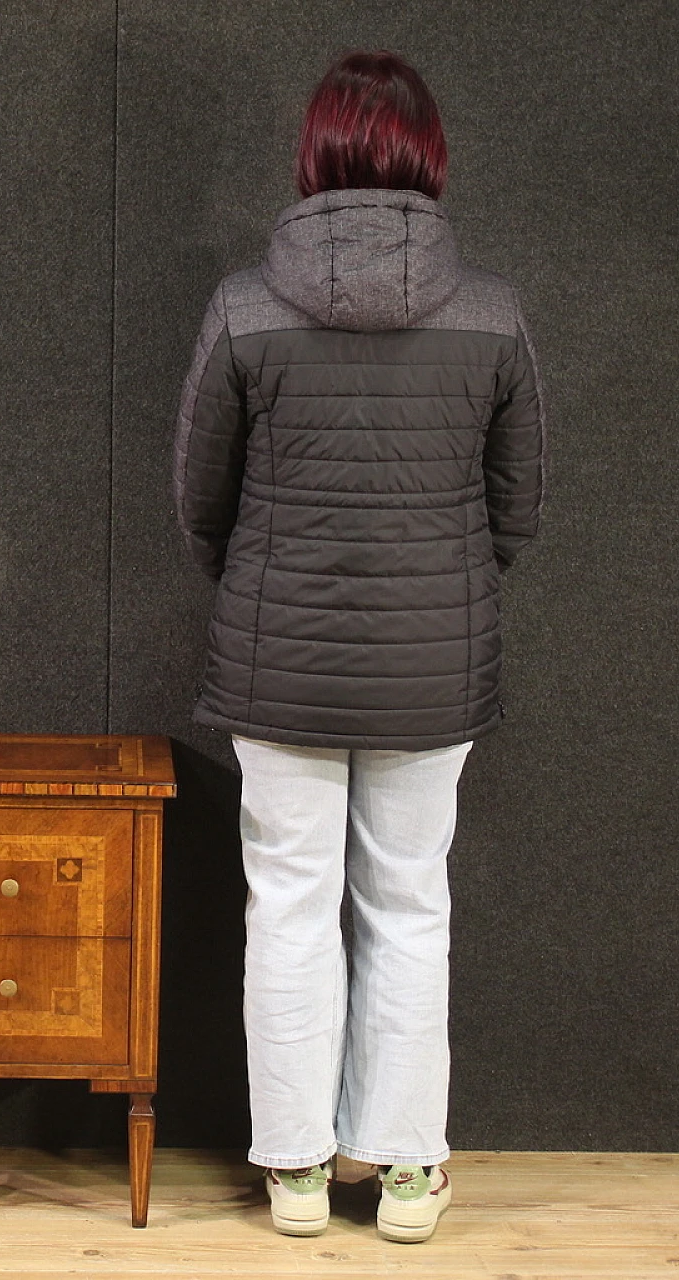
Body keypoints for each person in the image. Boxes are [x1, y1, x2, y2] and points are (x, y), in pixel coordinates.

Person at [173, 50, 544, 1243]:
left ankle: (289, 1174)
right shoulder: (489, 308)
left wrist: (258, 586)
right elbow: (517, 505)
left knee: (283, 904)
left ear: (315, 154)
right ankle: (402, 1175)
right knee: (405, 904)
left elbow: (199, 496)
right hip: (433, 668)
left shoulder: (242, 304)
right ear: (426, 154)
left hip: (274, 659)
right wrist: (443, 584)